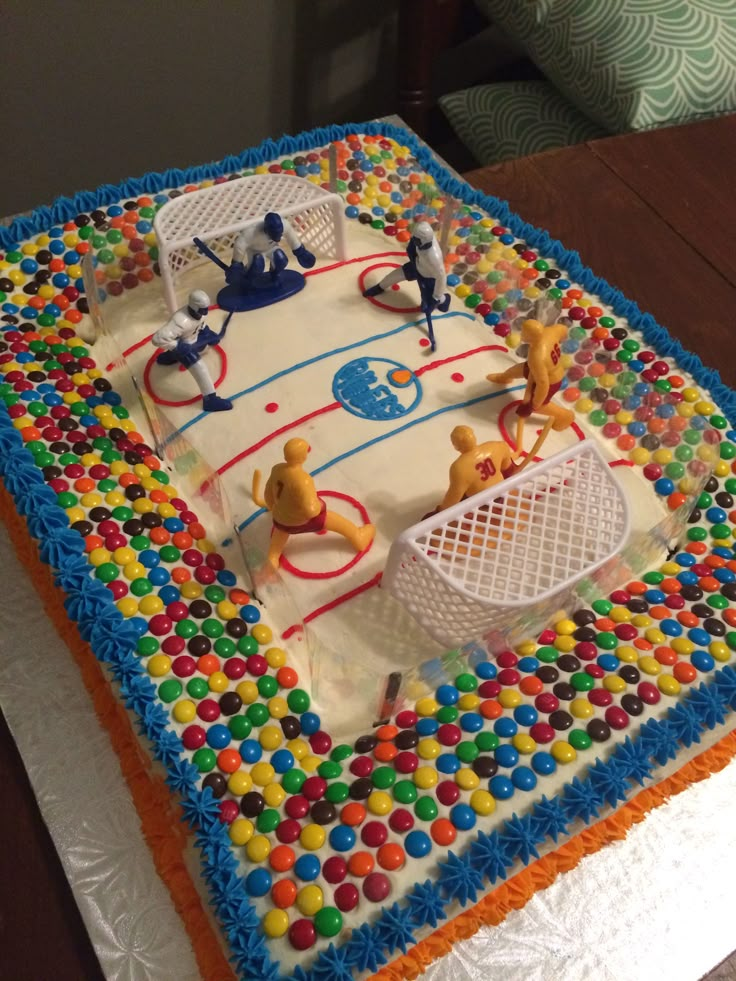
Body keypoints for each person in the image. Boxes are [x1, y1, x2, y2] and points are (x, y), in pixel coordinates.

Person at [252, 438, 375, 568]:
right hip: (300, 522)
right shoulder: (303, 480)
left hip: (279, 520)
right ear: (303, 456)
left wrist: (274, 508)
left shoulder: (277, 469)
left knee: (279, 535)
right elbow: (310, 510)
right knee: (334, 519)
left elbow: (268, 493)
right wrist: (319, 505)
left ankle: (272, 558)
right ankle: (358, 537)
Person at [363, 221, 449, 349]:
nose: (414, 240)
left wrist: (435, 297)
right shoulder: (418, 242)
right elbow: (413, 249)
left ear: (424, 241)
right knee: (394, 276)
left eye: (416, 239)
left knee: (430, 301)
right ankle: (380, 287)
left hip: (428, 278)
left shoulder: (434, 258)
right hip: (416, 266)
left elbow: (441, 278)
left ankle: (444, 300)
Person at [487, 318, 574, 433]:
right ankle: (504, 377)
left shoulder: (537, 357)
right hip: (542, 370)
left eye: (524, 333)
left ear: (532, 336)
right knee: (517, 370)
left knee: (541, 406)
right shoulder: (549, 332)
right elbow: (563, 329)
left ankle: (565, 416)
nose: (521, 334)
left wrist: (535, 403)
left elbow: (543, 384)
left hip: (551, 379)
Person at [151, 289, 232, 412]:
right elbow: (157, 339)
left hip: (193, 341)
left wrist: (208, 334)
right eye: (202, 309)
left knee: (203, 349)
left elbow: (200, 325)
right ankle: (210, 400)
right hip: (184, 346)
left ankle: (170, 357)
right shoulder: (180, 321)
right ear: (194, 306)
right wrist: (177, 346)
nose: (205, 312)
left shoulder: (201, 313)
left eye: (206, 308)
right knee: (200, 367)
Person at [227, 212, 315, 288]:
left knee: (281, 260)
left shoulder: (285, 225)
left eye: (279, 234)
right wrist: (236, 264)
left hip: (271, 248)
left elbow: (292, 238)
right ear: (266, 229)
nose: (278, 237)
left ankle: (274, 275)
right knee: (257, 264)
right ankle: (249, 281)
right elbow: (239, 246)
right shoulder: (251, 232)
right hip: (255, 250)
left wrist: (300, 252)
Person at [439, 426, 517, 510]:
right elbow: (508, 470)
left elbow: (453, 499)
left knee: (462, 498)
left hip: (482, 503)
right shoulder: (498, 446)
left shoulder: (459, 468)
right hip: (502, 490)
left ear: (456, 446)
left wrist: (439, 510)